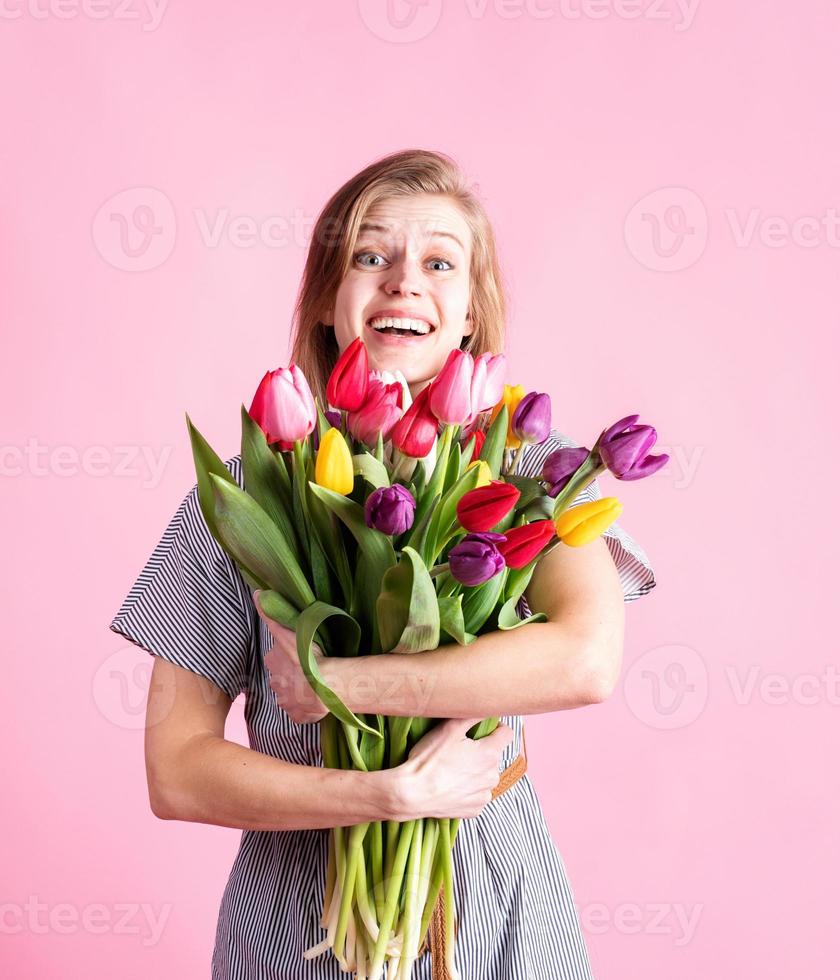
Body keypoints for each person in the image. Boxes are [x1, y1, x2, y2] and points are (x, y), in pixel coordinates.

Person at [109, 149, 655, 979]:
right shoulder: (242, 503)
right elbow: (176, 773)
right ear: (331, 301)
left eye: (439, 262)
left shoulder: (532, 475)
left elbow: (585, 660)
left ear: (471, 314)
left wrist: (340, 684)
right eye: (370, 257)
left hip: (489, 894)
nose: (403, 282)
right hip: (299, 909)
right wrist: (383, 796)